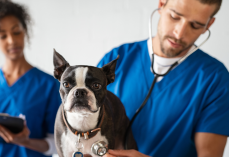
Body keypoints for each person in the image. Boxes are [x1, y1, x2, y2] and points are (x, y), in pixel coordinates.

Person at [98, 0, 229, 157]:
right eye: (174, 16)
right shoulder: (116, 59)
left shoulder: (215, 78)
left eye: (195, 25)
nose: (179, 33)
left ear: (209, 25)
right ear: (161, 4)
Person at [0, 0, 61, 156]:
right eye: (3, 36)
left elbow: (56, 144)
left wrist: (25, 141)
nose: (11, 41)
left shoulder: (48, 85)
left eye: (16, 32)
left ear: (25, 31)